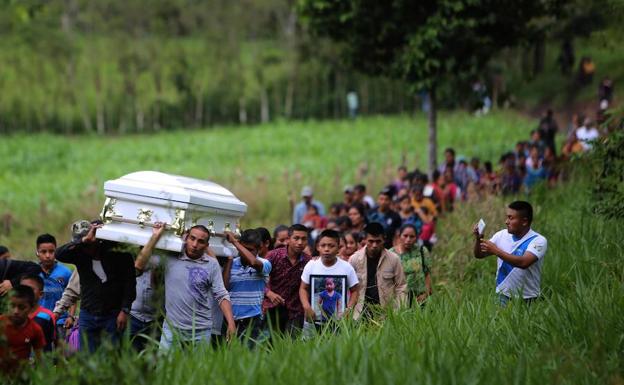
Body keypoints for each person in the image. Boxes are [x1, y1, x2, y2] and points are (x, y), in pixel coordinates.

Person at [134, 223, 236, 350]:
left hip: (201, 330)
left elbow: (221, 294)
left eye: (200, 241)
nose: (194, 245)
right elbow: (138, 266)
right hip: (172, 328)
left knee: (196, 370)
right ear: (185, 238)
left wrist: (231, 323)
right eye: (192, 238)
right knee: (165, 368)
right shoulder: (170, 257)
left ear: (206, 246)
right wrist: (155, 236)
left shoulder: (212, 264)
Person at [55, 220, 136, 352]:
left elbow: (130, 283)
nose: (86, 249)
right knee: (87, 357)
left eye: (89, 244)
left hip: (112, 314)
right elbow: (59, 254)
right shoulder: (80, 253)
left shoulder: (117, 254)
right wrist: (83, 242)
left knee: (111, 356)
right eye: (83, 245)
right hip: (88, 313)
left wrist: (124, 310)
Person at [473, 201, 548, 306]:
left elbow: (524, 263)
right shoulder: (501, 235)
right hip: (502, 296)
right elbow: (479, 254)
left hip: (529, 298)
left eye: (511, 218)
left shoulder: (538, 241)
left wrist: (496, 251)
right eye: (507, 217)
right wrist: (478, 239)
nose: (506, 221)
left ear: (524, 221)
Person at [299, 230, 359, 326]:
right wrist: (306, 306)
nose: (327, 249)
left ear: (338, 248)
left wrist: (349, 309)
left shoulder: (347, 267)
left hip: (339, 322)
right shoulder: (311, 265)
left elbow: (355, 291)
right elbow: (303, 288)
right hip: (315, 320)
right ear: (318, 247)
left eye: (331, 246)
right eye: (323, 245)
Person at [222, 229, 271, 347]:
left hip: (252, 321)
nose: (244, 253)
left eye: (250, 250)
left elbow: (253, 262)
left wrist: (234, 242)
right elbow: (224, 288)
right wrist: (229, 259)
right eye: (244, 249)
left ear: (259, 249)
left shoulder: (265, 263)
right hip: (231, 320)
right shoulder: (232, 263)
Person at [348, 223, 407, 319]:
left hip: (386, 313)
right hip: (359, 313)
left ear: (384, 240)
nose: (374, 245)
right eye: (371, 241)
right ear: (365, 240)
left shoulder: (394, 259)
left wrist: (398, 311)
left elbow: (401, 286)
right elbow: (348, 288)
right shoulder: (354, 259)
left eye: (378, 241)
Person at [263, 224, 311, 336]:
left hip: (295, 311)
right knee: (268, 347)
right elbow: (257, 278)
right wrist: (269, 293)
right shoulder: (273, 256)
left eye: (303, 239)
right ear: (288, 239)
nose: (300, 242)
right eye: (296, 238)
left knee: (292, 348)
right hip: (272, 308)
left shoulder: (309, 262)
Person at [0, 285, 45, 375]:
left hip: (20, 376)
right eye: (12, 306)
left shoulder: (35, 329)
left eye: (22, 307)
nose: (16, 311)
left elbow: (40, 359)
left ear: (31, 308)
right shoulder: (1, 323)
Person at [35, 233, 73, 339]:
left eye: (51, 251)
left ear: (56, 251)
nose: (48, 255)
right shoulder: (33, 272)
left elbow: (72, 295)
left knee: (60, 351)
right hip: (39, 319)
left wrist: (71, 316)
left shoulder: (65, 272)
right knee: (40, 351)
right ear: (37, 252)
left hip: (60, 320)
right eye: (43, 252)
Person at [389, 225, 432, 306]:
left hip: (421, 298)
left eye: (412, 236)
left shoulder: (422, 251)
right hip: (400, 299)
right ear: (399, 236)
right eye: (405, 236)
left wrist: (426, 293)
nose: (408, 240)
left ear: (417, 238)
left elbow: (427, 273)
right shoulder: (391, 254)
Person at [19, 274, 57, 352]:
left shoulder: (47, 316)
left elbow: (55, 342)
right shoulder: (12, 315)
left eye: (31, 289)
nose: (26, 292)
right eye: (23, 289)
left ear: (41, 294)